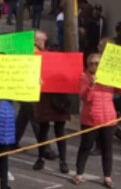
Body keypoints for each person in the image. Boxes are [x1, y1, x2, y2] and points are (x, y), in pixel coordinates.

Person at [74, 53, 116, 188]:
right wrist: (91, 85)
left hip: (108, 118)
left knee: (107, 148)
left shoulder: (109, 76)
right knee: (85, 146)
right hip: (90, 119)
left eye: (97, 63)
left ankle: (107, 177)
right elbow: (85, 98)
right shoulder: (84, 77)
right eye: (91, 64)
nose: (93, 66)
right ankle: (79, 173)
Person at [34, 44, 72, 174]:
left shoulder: (64, 65)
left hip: (60, 101)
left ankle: (63, 161)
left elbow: (70, 79)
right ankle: (41, 158)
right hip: (45, 100)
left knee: (59, 132)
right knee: (43, 131)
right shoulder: (41, 64)